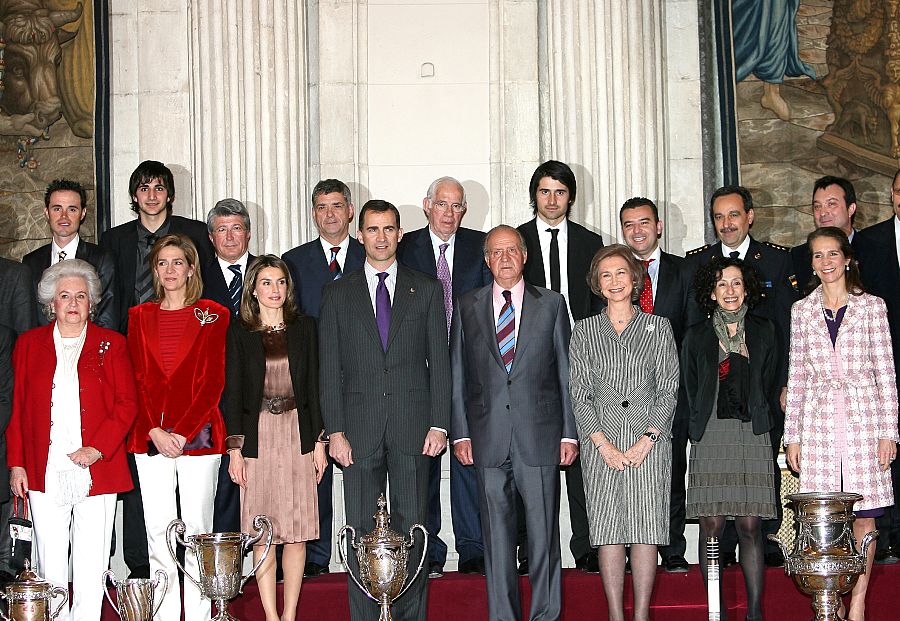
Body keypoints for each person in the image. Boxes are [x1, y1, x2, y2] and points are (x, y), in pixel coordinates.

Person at [318, 200, 450, 621]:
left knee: (413, 531)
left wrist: (440, 423)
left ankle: (409, 617)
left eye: (388, 229)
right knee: (359, 532)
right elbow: (329, 369)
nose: (380, 237)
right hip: (357, 432)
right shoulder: (337, 292)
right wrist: (334, 431)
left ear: (400, 234)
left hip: (414, 428)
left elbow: (440, 363)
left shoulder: (425, 288)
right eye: (372, 229)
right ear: (361, 236)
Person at [451, 224, 577, 621]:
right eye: (496, 252)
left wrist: (569, 433)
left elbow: (566, 373)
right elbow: (458, 374)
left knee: (543, 539)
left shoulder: (553, 304)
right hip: (487, 437)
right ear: (487, 261)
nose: (504, 258)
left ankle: (545, 615)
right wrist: (461, 432)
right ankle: (503, 616)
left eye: (511, 251)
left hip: (539, 436)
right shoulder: (467, 304)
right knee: (497, 541)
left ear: (525, 257)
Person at [99, 159, 214, 579]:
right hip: (134, 351)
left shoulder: (195, 233)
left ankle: (199, 579)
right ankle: (140, 566)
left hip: (186, 352)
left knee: (196, 494)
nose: (151, 195)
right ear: (134, 195)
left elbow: (212, 293)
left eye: (159, 187)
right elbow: (108, 301)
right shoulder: (113, 240)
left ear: (169, 193)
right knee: (142, 475)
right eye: (143, 187)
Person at [7, 259, 137, 620]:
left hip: (98, 468)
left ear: (92, 302)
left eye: (81, 295)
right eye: (65, 296)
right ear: (52, 303)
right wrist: (17, 463)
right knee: (49, 561)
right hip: (43, 469)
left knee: (91, 559)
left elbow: (127, 404)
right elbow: (15, 408)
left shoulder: (112, 343)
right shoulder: (29, 345)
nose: (73, 303)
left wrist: (97, 448)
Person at [785, 227, 898, 621]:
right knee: (826, 518)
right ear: (812, 263)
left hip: (864, 419)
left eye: (833, 253)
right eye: (818, 255)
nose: (826, 262)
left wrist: (889, 431)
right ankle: (828, 601)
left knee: (865, 515)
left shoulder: (872, 307)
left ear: (847, 257)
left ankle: (860, 601)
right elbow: (797, 375)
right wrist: (792, 437)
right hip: (818, 424)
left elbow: (886, 372)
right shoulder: (801, 310)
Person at [685, 184, 797, 567]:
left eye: (734, 215)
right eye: (718, 216)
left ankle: (764, 548)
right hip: (714, 404)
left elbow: (783, 330)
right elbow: (692, 340)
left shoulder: (777, 261)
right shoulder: (698, 263)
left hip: (760, 396)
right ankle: (725, 561)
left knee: (756, 495)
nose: (726, 223)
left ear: (749, 216)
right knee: (715, 516)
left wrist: (783, 383)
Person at [569, 244, 678, 621]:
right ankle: (616, 614)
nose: (614, 281)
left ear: (635, 279)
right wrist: (602, 445)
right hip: (602, 446)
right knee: (608, 530)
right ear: (597, 284)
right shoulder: (583, 331)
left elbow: (668, 387)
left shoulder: (658, 326)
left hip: (649, 442)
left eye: (621, 273)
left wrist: (648, 439)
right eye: (605, 275)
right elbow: (579, 393)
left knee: (646, 528)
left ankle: (642, 614)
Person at [126, 234, 229, 621]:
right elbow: (135, 378)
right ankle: (165, 614)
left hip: (198, 438)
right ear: (155, 270)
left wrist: (182, 434)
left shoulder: (214, 313)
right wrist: (154, 430)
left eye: (177, 262)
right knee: (159, 532)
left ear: (191, 268)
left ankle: (201, 613)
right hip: (149, 438)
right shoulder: (138, 316)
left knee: (198, 532)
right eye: (162, 263)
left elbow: (213, 383)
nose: (170, 270)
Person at [397, 176, 492, 577]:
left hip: (470, 371)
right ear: (427, 205)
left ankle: (471, 548)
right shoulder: (405, 249)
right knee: (425, 465)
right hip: (420, 373)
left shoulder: (480, 246)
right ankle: (428, 550)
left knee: (469, 459)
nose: (449, 214)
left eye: (457, 206)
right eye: (442, 204)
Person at [223, 255, 326, 621]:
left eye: (280, 282)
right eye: (266, 282)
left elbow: (315, 384)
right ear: (253, 288)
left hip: (298, 433)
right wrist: (235, 450)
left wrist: (320, 442)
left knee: (297, 533)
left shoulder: (305, 328)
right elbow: (232, 392)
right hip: (258, 437)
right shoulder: (239, 332)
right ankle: (270, 616)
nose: (275, 290)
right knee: (263, 532)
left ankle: (290, 614)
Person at [517, 160, 603, 573]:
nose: (552, 200)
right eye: (545, 191)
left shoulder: (591, 241)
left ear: (571, 197)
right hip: (530, 365)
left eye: (561, 192)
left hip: (582, 358)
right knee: (532, 458)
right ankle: (533, 547)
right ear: (534, 195)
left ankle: (586, 545)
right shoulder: (516, 241)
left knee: (581, 455)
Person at [682, 256, 779, 621]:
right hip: (712, 434)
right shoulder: (696, 335)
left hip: (752, 432)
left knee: (751, 525)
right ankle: (716, 611)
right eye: (722, 284)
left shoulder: (765, 330)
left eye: (736, 283)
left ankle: (755, 612)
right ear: (711, 291)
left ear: (746, 288)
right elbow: (691, 389)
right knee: (712, 526)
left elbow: (770, 381)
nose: (730, 291)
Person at [282, 179, 364, 577]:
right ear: (313, 213)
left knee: (365, 470)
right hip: (312, 382)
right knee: (314, 472)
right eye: (320, 207)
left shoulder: (374, 253)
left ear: (350, 210)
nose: (329, 214)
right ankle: (315, 556)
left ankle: (366, 552)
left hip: (365, 382)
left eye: (336, 205)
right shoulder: (293, 262)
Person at [618, 197, 691, 573]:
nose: (637, 231)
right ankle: (631, 548)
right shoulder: (613, 276)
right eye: (629, 224)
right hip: (622, 396)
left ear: (658, 226)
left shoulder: (684, 271)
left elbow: (692, 333)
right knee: (626, 475)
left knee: (670, 472)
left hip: (668, 392)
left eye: (644, 222)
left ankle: (672, 547)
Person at [201, 198, 256, 534]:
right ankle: (223, 565)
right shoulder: (198, 281)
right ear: (211, 237)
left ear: (248, 234)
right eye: (222, 229)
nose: (230, 236)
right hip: (215, 398)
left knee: (263, 479)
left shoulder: (270, 273)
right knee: (222, 484)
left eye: (237, 228)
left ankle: (267, 559)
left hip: (265, 394)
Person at [856, 169, 900, 564]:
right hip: (886, 364)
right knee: (887, 457)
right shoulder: (872, 242)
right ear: (892, 195)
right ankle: (891, 536)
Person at [22, 179, 118, 329]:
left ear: (83, 213)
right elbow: (27, 317)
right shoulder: (30, 262)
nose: (64, 216)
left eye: (72, 209)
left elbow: (107, 318)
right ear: (46, 212)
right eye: (57, 209)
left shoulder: (101, 259)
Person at [790, 176, 859, 294]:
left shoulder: (875, 251)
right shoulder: (798, 256)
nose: (823, 212)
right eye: (817, 206)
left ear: (851, 209)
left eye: (831, 204)